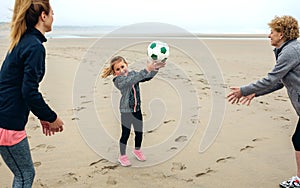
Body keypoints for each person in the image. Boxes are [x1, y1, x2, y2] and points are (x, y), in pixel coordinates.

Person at [227, 15, 300, 188]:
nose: (269, 35)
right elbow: (280, 82)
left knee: (298, 140)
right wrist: (256, 94)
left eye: (272, 31)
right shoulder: (289, 50)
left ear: (281, 34)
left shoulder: (290, 52)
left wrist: (244, 90)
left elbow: (271, 78)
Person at [0, 0, 64, 187]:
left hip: (6, 118)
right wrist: (51, 117)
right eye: (52, 13)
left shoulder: (22, 41)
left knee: (23, 173)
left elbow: (16, 85)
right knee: (25, 174)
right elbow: (29, 91)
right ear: (43, 16)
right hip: (7, 124)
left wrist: (42, 117)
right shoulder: (34, 46)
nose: (54, 17)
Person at [102, 56, 165, 166]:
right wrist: (146, 69)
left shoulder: (133, 74)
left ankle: (137, 150)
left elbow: (146, 77)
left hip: (137, 109)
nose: (121, 70)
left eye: (122, 66)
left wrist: (155, 69)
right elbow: (131, 80)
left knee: (139, 132)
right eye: (118, 69)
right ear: (114, 72)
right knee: (125, 134)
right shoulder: (118, 80)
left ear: (126, 64)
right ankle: (122, 156)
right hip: (126, 112)